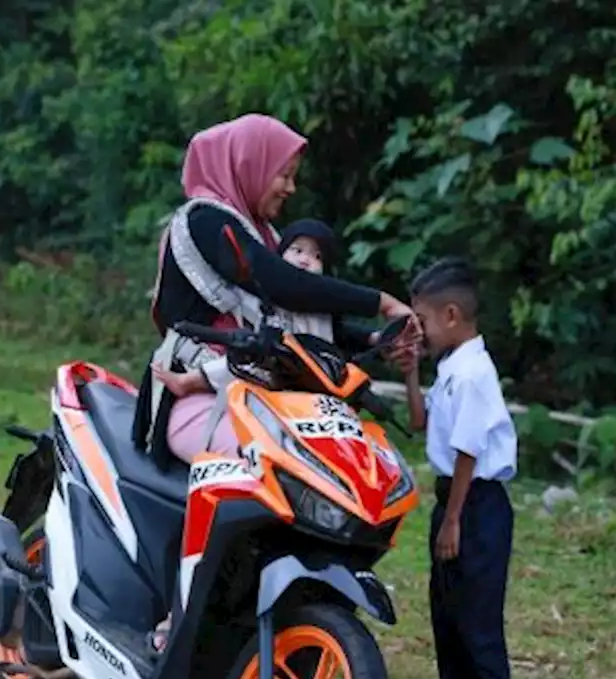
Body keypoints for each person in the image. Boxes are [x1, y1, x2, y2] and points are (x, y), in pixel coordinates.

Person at [140, 114, 416, 469]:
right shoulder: (205, 220)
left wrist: (376, 339)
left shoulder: (261, 233)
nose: (291, 188)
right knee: (271, 466)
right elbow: (284, 287)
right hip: (196, 396)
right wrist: (380, 301)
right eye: (284, 175)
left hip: (256, 395)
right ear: (248, 165)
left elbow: (296, 325)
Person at [401, 256, 519, 679]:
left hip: (476, 504)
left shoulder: (474, 373)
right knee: (447, 611)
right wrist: (409, 374)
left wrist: (453, 520)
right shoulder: (451, 366)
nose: (419, 331)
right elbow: (421, 422)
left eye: (422, 321)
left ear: (451, 315)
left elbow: (469, 449)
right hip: (455, 497)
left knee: (476, 614)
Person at [152, 217, 378, 399]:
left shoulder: (324, 302)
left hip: (321, 373)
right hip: (277, 366)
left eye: (316, 256)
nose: (305, 260)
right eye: (297, 250)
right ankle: (188, 383)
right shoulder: (273, 295)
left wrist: (371, 337)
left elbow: (342, 331)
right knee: (241, 364)